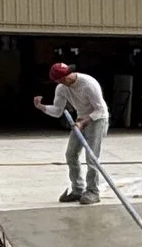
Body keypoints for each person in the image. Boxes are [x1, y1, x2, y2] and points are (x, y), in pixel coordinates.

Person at [34, 61, 110, 204]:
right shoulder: (62, 88)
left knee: (91, 156)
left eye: (66, 77)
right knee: (71, 154)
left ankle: (93, 191)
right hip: (80, 119)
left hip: (97, 119)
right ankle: (77, 189)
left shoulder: (89, 84)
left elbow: (100, 109)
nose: (64, 81)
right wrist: (41, 107)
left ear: (69, 73)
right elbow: (57, 111)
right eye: (60, 80)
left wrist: (82, 123)